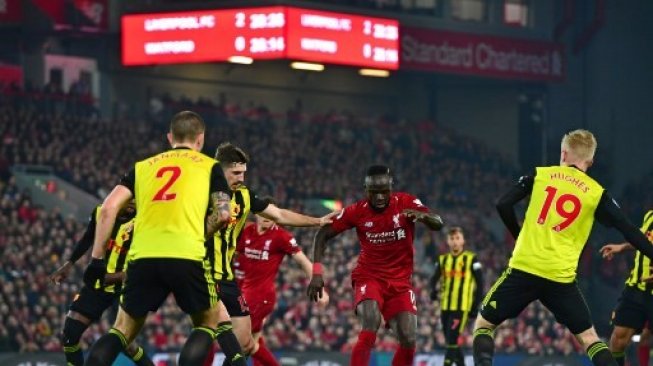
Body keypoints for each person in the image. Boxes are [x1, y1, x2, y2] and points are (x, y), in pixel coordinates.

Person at [473, 129, 653, 366]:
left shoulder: (540, 175)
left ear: (563, 153)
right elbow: (629, 230)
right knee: (590, 339)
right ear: (590, 161)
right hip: (561, 279)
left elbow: (503, 203)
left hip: (524, 269)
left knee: (484, 326)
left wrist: (518, 234)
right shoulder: (597, 193)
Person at [82, 111, 244, 366]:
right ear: (200, 139)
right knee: (209, 321)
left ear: (170, 138)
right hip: (187, 254)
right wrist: (200, 234)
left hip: (143, 256)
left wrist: (96, 262)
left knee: (122, 331)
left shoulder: (142, 167)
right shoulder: (209, 166)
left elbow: (108, 209)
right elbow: (224, 215)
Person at [206, 142, 334, 365]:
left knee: (240, 341)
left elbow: (283, 218)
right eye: (236, 173)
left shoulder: (277, 233)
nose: (241, 178)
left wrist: (317, 221)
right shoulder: (240, 227)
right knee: (238, 340)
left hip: (255, 292)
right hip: (214, 278)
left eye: (243, 173)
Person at [307, 165, 444, 366]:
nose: (380, 197)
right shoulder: (357, 211)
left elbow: (438, 223)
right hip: (369, 277)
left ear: (391, 188)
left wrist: (423, 216)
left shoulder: (406, 202)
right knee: (371, 321)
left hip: (400, 283)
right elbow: (323, 234)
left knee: (408, 337)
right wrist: (317, 272)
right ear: (366, 190)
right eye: (374, 192)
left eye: (384, 191)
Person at [50, 202, 153, 366]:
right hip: (98, 284)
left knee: (125, 343)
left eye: (136, 198)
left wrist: (121, 276)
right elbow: (87, 238)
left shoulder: (143, 222)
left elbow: (149, 259)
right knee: (70, 334)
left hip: (125, 288)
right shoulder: (101, 213)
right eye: (130, 197)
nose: (133, 202)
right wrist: (69, 263)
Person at [236, 208, 330, 366]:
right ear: (256, 214)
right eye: (264, 213)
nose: (267, 217)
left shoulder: (281, 236)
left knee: (240, 342)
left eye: (271, 214)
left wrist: (320, 287)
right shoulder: (246, 230)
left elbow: (303, 261)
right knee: (253, 341)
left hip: (261, 297)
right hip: (244, 292)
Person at [599, 209, 653, 366]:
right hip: (636, 288)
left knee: (645, 339)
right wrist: (621, 247)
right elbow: (642, 239)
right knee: (618, 340)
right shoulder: (650, 215)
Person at [429, 226, 484, 366]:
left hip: (462, 307)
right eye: (452, 238)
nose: (454, 241)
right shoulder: (442, 260)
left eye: (457, 238)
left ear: (463, 241)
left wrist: (474, 306)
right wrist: (432, 291)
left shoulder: (472, 259)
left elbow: (481, 283)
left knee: (452, 337)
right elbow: (434, 278)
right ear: (448, 241)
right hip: (445, 306)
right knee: (449, 340)